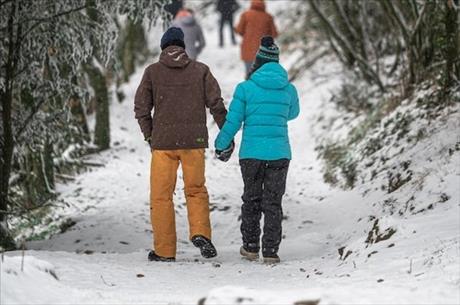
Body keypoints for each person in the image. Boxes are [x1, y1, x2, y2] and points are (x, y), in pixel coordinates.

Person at [134, 27, 228, 262]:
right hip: (193, 142)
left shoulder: (153, 72)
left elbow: (141, 108)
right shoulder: (201, 70)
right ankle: (200, 232)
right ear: (183, 47)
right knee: (196, 190)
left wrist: (149, 135)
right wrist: (226, 133)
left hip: (163, 144)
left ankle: (165, 251)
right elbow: (216, 103)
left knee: (161, 196)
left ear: (163, 48)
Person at [214, 36, 299, 264]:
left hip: (251, 154)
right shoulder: (288, 89)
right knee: (273, 202)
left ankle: (250, 247)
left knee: (251, 199)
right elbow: (293, 113)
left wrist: (221, 144)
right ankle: (270, 251)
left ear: (257, 61)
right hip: (280, 153)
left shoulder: (245, 88)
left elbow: (233, 121)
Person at [234, 0, 278, 79]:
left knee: (249, 74)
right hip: (264, 51)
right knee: (262, 75)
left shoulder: (245, 15)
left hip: (248, 49)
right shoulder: (268, 17)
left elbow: (239, 30)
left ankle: (248, 89)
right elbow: (274, 34)